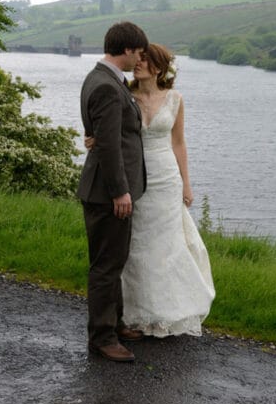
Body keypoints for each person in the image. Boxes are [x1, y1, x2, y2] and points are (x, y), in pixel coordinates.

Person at [87, 43, 215, 338]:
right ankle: (132, 313)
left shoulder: (175, 99)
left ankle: (166, 313)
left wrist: (186, 183)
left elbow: (179, 143)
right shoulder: (125, 95)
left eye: (145, 60)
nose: (138, 64)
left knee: (165, 247)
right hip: (133, 178)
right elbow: (108, 129)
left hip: (166, 179)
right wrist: (93, 139)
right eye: (138, 59)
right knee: (136, 247)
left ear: (158, 67)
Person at [77, 21, 149, 363]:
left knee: (114, 260)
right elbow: (107, 145)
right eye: (138, 53)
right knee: (106, 265)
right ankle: (102, 338)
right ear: (126, 49)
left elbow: (104, 136)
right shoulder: (106, 85)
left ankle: (115, 323)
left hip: (106, 189)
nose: (140, 60)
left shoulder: (100, 78)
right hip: (107, 192)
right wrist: (121, 191)